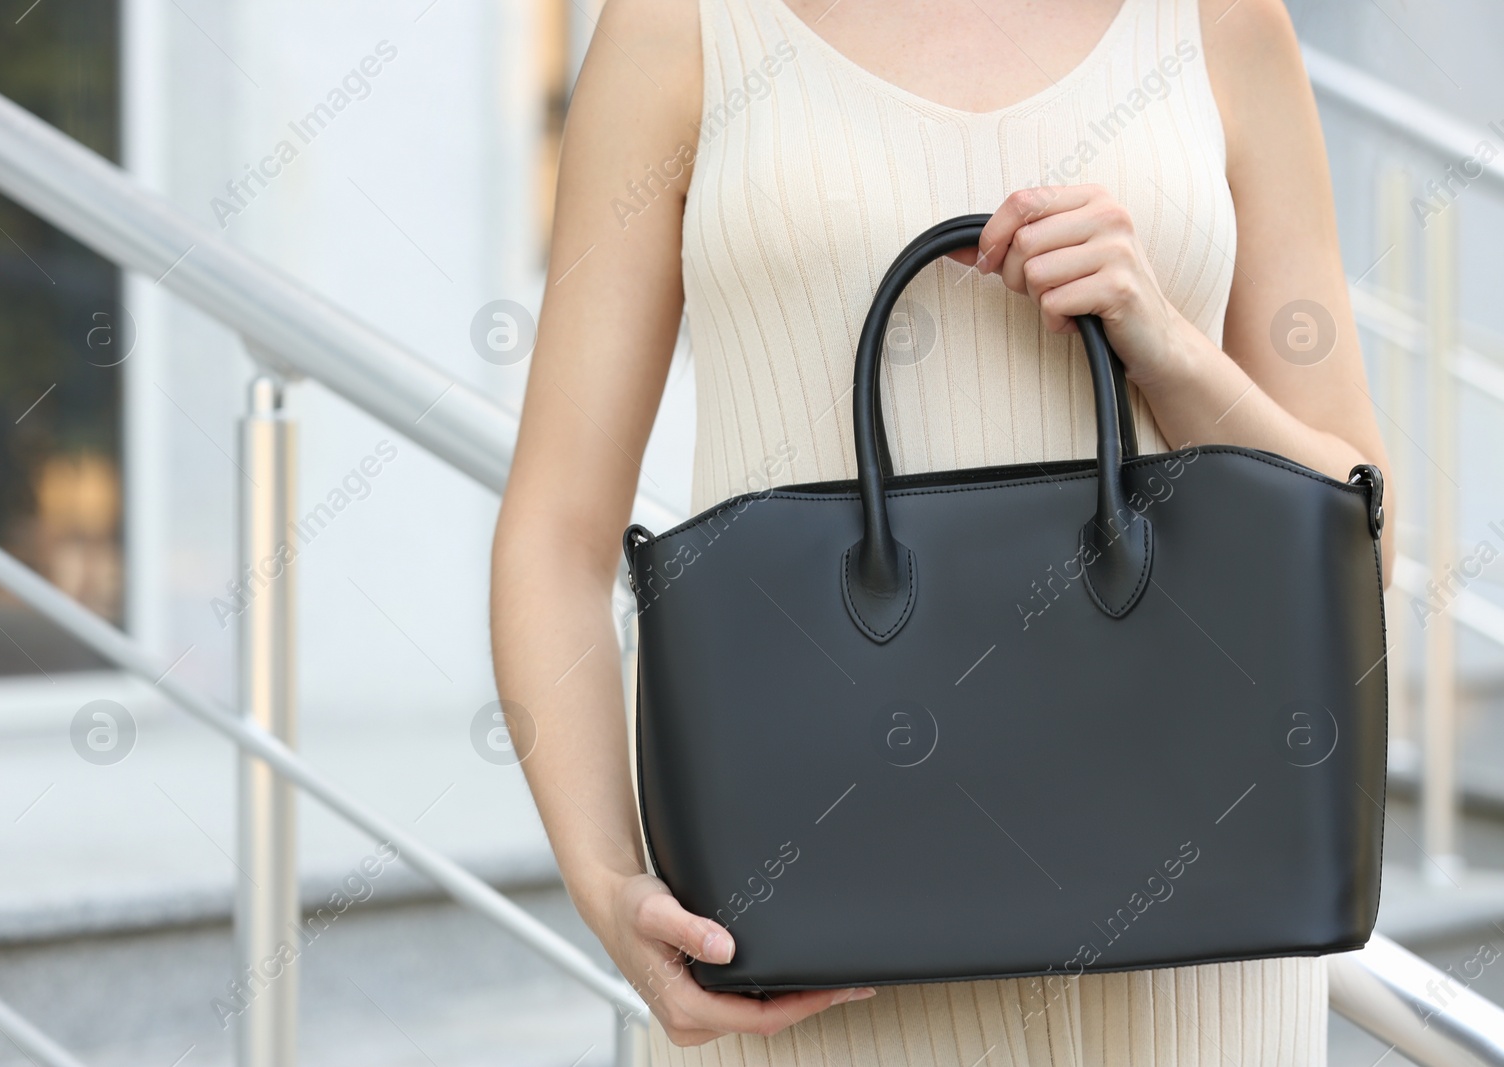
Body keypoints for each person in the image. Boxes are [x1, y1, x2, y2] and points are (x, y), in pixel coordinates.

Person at [491, 0, 1394, 1062]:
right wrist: (606, 884)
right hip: (821, 980)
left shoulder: (1221, 23)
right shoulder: (679, 26)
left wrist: (1167, 345)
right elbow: (557, 529)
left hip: (1193, 975)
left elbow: (1353, 530)